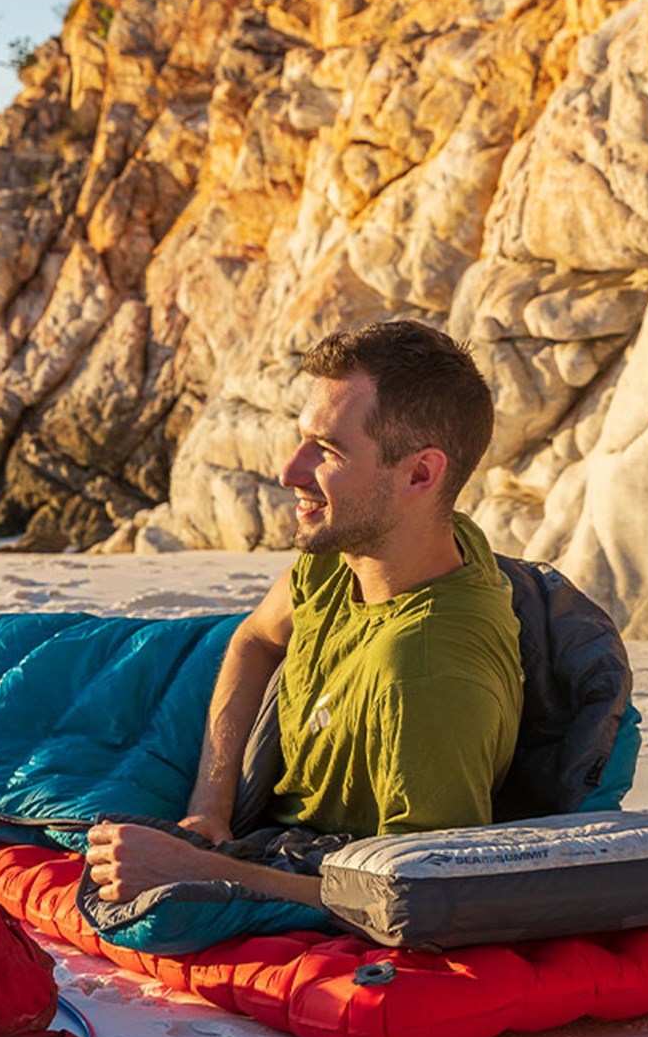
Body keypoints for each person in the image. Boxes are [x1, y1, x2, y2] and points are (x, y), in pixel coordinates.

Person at [85, 319, 524, 909]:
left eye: (329, 450)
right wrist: (208, 808)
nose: (290, 472)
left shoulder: (425, 674)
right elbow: (254, 639)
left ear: (421, 473)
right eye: (303, 440)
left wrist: (196, 872)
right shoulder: (358, 547)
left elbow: (420, 898)